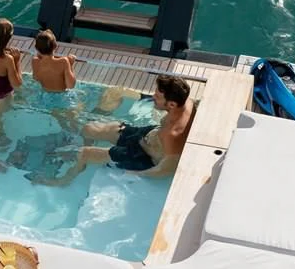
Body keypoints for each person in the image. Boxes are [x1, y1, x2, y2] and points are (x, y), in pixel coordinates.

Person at [31, 74, 195, 185]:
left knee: (84, 153)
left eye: (157, 97)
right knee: (89, 128)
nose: (153, 97)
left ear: (171, 104)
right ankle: (83, 150)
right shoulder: (187, 102)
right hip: (148, 135)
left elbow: (165, 169)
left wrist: (136, 174)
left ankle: (62, 181)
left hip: (140, 156)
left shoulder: (172, 135)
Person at [28, 29, 81, 129]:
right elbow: (71, 85)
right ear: (55, 46)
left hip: (45, 96)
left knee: (60, 119)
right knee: (74, 116)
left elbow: (36, 78)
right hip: (63, 96)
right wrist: (70, 64)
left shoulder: (35, 61)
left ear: (36, 48)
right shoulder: (63, 61)